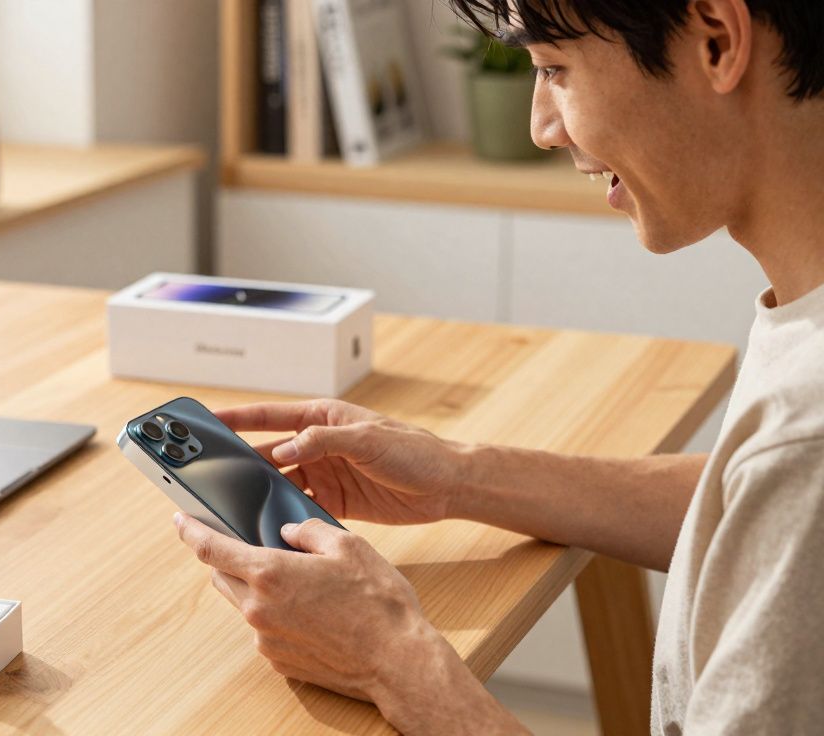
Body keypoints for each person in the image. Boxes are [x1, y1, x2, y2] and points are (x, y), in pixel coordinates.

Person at [172, 0, 824, 732]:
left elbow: (788, 478)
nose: (542, 126)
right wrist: (463, 475)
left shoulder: (807, 439)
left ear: (717, 42)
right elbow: (751, 508)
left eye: (555, 69)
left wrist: (391, 661)